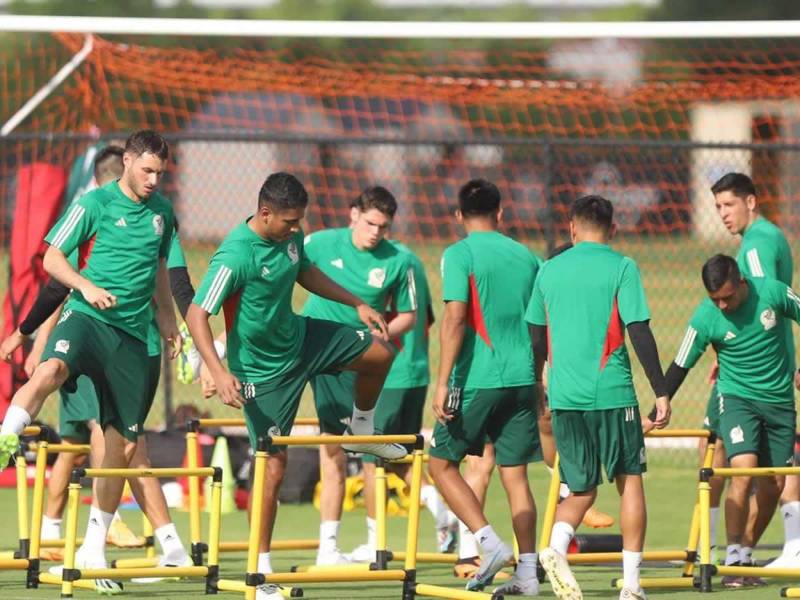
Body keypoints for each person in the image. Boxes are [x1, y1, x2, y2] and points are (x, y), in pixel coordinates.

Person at [186, 172, 407, 600]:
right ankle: (259, 572)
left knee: (381, 354)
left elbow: (305, 271)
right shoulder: (234, 255)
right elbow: (198, 315)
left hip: (302, 339)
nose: (296, 228)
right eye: (289, 221)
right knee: (273, 465)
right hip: (262, 372)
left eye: (299, 221)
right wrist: (218, 370)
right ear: (265, 213)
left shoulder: (291, 235)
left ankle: (363, 430)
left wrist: (357, 303)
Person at [0, 130, 182, 593]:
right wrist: (85, 286)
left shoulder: (163, 213)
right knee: (51, 369)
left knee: (121, 450)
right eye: (147, 170)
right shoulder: (93, 204)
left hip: (133, 337)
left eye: (160, 173)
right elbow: (52, 259)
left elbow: (161, 272)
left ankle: (93, 548)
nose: (153, 180)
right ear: (128, 162)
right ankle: (6, 436)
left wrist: (168, 320)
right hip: (86, 317)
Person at [529, 194, 670, 600]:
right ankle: (632, 585)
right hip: (612, 394)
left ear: (572, 228)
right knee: (630, 481)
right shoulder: (623, 267)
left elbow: (536, 336)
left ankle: (556, 548)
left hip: (564, 397)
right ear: (613, 228)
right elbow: (639, 331)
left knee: (580, 490)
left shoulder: (548, 270)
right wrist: (661, 391)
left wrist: (538, 387)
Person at [427, 178, 542, 595]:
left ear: (459, 215)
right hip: (522, 378)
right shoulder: (527, 257)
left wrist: (443, 381)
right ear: (501, 213)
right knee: (516, 476)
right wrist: (538, 377)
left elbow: (456, 317)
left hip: (477, 379)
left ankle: (488, 544)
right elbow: (540, 324)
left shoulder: (459, 254)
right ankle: (527, 573)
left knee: (440, 464)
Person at [662, 254, 800, 588]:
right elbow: (680, 364)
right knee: (742, 470)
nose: (722, 306)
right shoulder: (705, 316)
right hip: (737, 399)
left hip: (780, 402)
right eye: (715, 300)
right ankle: (733, 554)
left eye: (727, 297)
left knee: (774, 483)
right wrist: (659, 407)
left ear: (741, 282)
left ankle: (746, 553)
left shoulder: (773, 293)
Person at [709, 172, 799, 570]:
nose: (723, 214)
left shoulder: (757, 246)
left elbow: (766, 305)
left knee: (725, 453)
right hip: (769, 368)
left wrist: (736, 347)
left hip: (756, 372)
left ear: (751, 201)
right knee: (764, 462)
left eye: (729, 204)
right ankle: (740, 548)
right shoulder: (769, 235)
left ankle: (720, 548)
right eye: (717, 207)